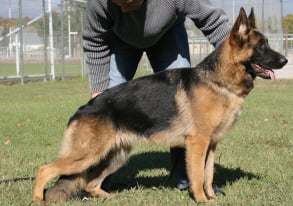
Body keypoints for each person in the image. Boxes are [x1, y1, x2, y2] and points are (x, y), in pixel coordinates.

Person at [83, 0, 231, 190]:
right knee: (107, 108)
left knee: (187, 108)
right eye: (119, 4)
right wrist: (98, 90)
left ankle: (188, 180)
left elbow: (213, 20)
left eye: (129, 3)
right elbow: (94, 40)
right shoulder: (99, 2)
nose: (125, 8)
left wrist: (234, 55)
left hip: (167, 33)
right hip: (120, 38)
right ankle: (91, 180)